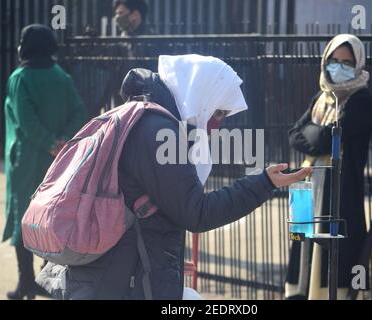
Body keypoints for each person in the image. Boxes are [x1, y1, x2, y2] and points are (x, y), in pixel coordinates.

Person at [36, 54, 312, 300]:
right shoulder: (158, 130)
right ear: (200, 95)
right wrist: (264, 183)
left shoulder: (143, 116)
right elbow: (196, 213)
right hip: (122, 280)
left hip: (111, 273)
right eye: (218, 112)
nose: (219, 122)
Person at [285, 34, 372, 300]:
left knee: (332, 255)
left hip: (339, 189)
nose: (338, 66)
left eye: (346, 62)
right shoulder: (322, 96)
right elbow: (294, 135)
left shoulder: (361, 100)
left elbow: (326, 138)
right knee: (302, 243)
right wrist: (319, 136)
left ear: (357, 64)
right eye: (334, 60)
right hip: (306, 186)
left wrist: (315, 135)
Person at [3, 24, 87, 300]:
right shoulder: (61, 76)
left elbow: (25, 120)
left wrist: (50, 142)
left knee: (23, 220)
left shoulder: (20, 77)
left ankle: (26, 283)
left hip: (26, 162)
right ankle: (46, 279)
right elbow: (79, 112)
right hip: (58, 165)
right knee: (52, 220)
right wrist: (63, 142)